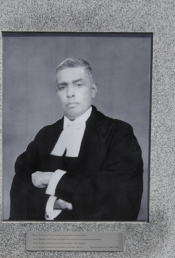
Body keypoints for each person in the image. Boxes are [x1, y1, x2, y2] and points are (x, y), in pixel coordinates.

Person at [9, 58, 143, 221]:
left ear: (93, 90)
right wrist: (56, 204)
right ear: (57, 93)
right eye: (62, 87)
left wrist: (51, 179)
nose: (70, 93)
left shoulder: (119, 133)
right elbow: (20, 189)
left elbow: (118, 192)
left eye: (78, 85)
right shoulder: (45, 136)